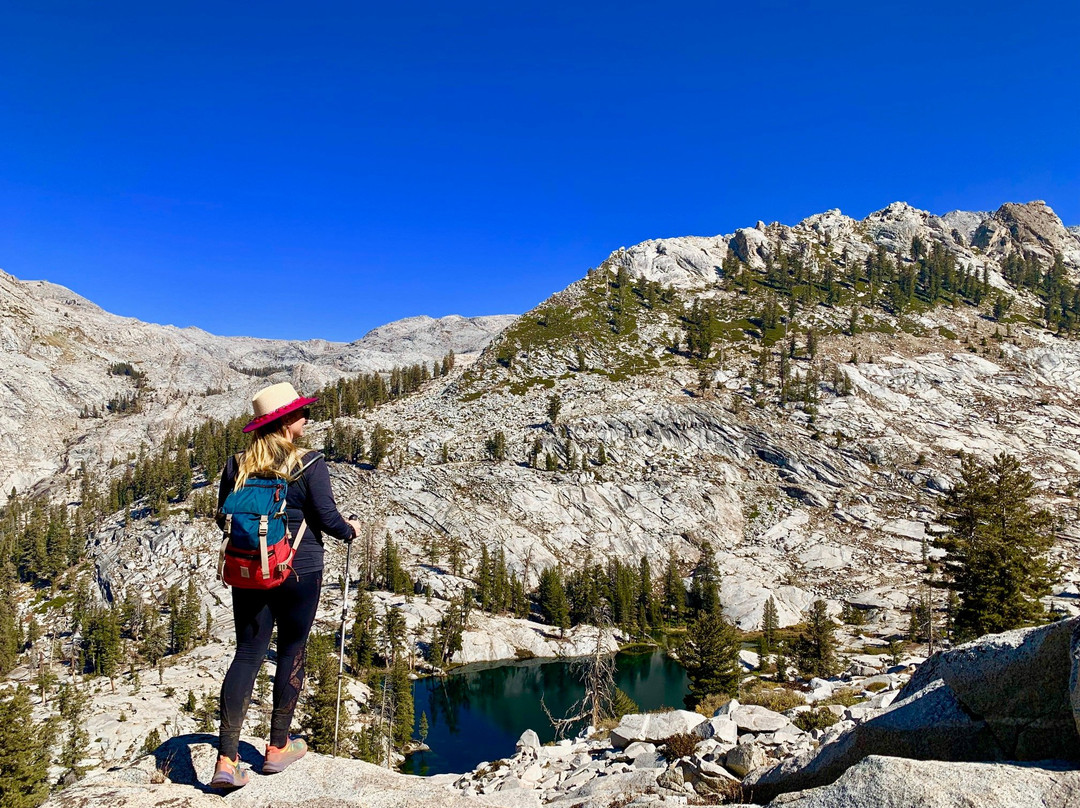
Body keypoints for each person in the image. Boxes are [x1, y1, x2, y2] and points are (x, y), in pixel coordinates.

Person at [210, 382, 360, 789]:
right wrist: (350, 530)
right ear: (287, 421)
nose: (306, 418)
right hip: (299, 569)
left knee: (247, 654)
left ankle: (227, 759)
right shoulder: (309, 463)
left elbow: (221, 516)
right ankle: (277, 749)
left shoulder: (236, 464)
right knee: (292, 651)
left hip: (249, 572)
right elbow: (327, 518)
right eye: (300, 413)